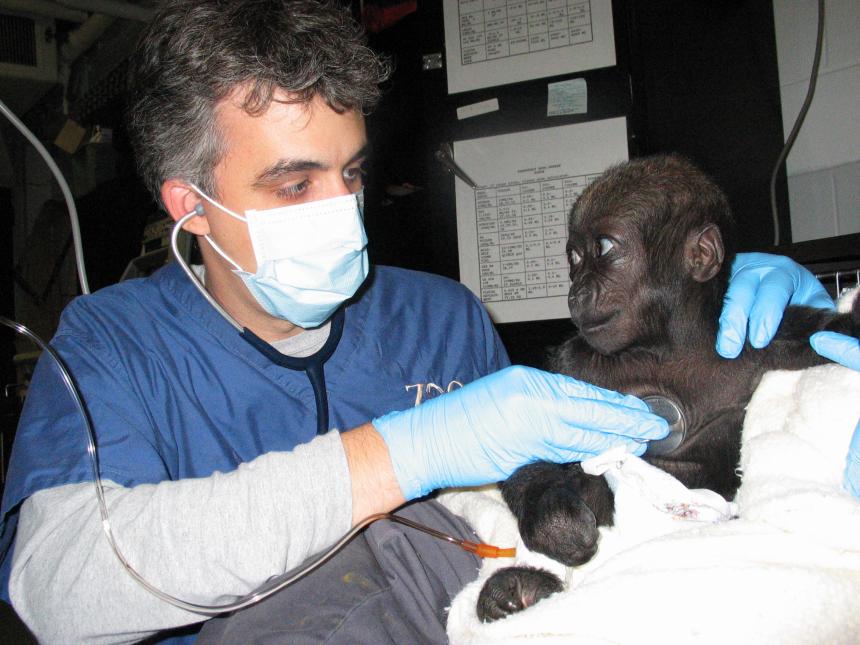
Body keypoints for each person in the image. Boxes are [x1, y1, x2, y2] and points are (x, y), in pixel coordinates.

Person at [0, 1, 842, 643]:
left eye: (352, 173)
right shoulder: (113, 343)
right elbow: (60, 590)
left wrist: (735, 319)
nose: (344, 215)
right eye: (295, 186)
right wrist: (404, 452)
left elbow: (562, 516)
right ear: (192, 207)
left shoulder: (437, 316)